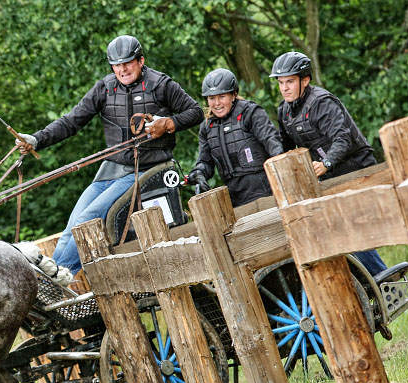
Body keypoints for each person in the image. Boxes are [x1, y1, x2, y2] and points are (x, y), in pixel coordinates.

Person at [15, 35, 203, 274]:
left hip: (147, 169)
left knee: (89, 218)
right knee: (73, 225)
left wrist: (167, 123)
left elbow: (196, 112)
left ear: (140, 61)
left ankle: (60, 276)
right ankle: (48, 278)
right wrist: (37, 139)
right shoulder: (104, 88)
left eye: (128, 63)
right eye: (116, 65)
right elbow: (71, 121)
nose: (122, 69)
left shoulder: (161, 84)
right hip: (111, 170)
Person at [269, 51, 386, 275]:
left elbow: (343, 138)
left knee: (348, 229)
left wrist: (326, 163)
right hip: (329, 178)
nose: (284, 88)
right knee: (331, 232)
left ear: (305, 80)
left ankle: (381, 277)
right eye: (281, 83)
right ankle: (369, 281)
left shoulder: (322, 102)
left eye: (289, 82)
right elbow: (284, 149)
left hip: (356, 169)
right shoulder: (284, 111)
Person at [186, 68, 282, 207]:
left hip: (265, 190)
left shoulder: (250, 112)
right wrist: (198, 173)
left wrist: (281, 161)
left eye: (222, 96)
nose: (217, 103)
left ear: (233, 94)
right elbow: (205, 161)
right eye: (212, 98)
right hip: (234, 198)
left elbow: (271, 140)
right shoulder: (207, 127)